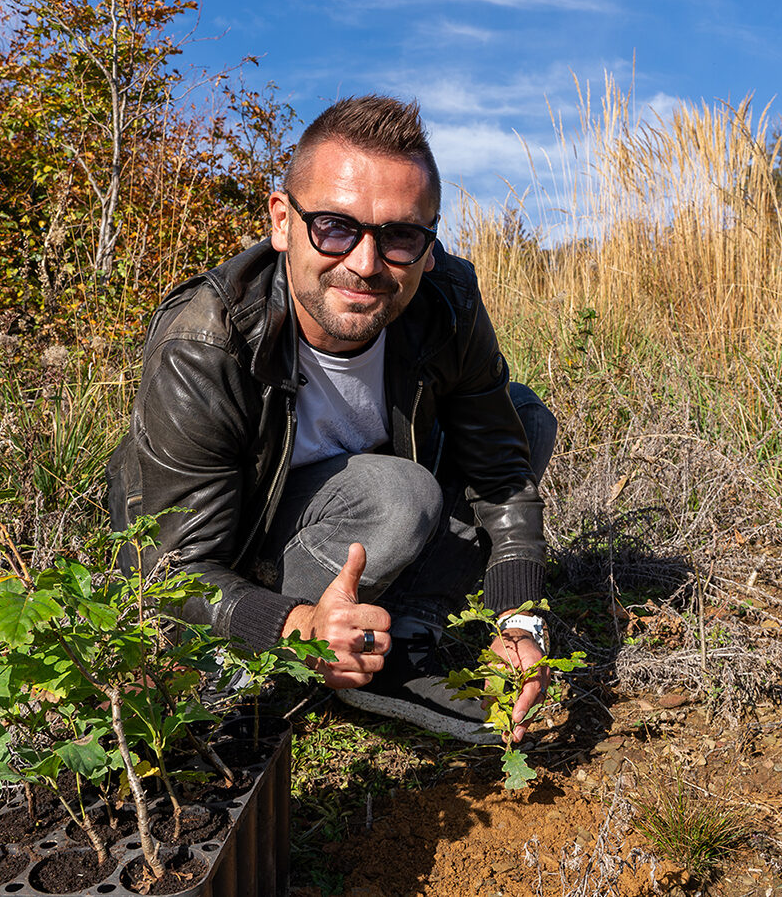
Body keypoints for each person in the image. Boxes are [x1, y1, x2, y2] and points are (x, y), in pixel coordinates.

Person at [107, 95, 557, 745]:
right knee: (400, 499)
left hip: (345, 509)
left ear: (430, 246)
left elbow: (503, 474)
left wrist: (522, 619)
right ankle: (283, 660)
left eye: (400, 236)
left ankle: (404, 637)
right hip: (238, 551)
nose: (367, 265)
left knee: (523, 417)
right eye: (335, 227)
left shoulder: (448, 302)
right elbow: (174, 568)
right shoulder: (204, 342)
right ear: (282, 221)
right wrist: (293, 626)